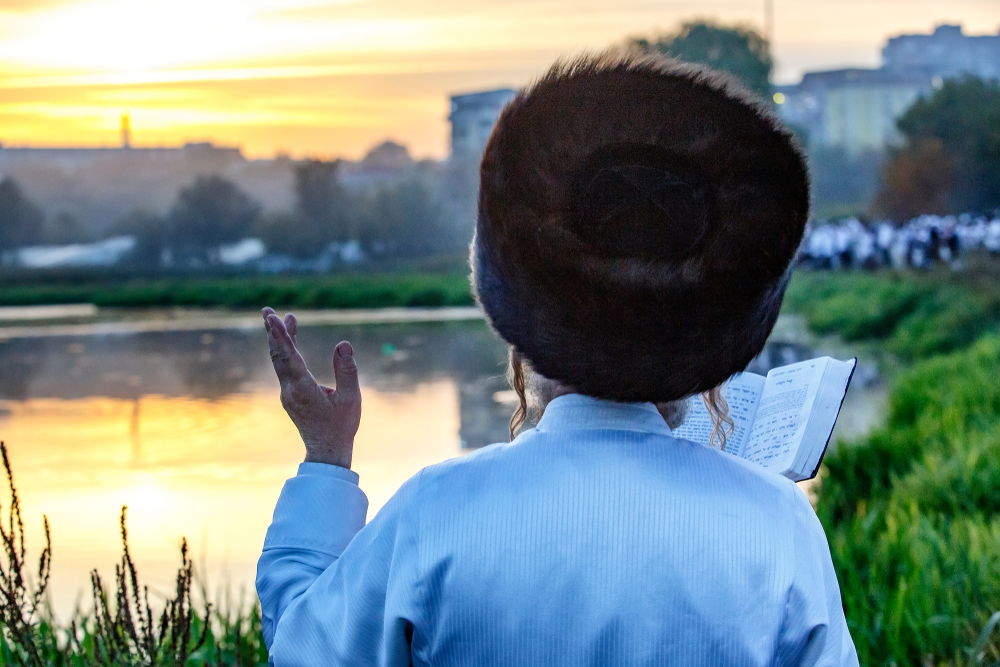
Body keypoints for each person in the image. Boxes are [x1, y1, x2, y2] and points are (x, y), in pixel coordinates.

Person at [256, 52, 859, 666]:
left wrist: (326, 459)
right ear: (701, 343)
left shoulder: (435, 512)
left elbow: (301, 650)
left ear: (523, 324)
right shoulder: (778, 525)